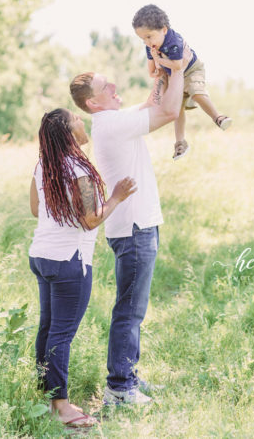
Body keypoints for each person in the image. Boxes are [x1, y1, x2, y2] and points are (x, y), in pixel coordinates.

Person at [68, 49, 185, 406]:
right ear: (93, 103)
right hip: (134, 229)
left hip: (140, 223)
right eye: (107, 86)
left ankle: (128, 376)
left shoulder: (115, 118)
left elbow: (153, 101)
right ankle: (119, 388)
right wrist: (180, 68)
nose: (115, 86)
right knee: (130, 310)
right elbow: (167, 111)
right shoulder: (110, 124)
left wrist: (163, 70)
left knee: (134, 307)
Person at [28, 108, 138, 428]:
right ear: (68, 132)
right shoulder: (78, 168)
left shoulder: (44, 166)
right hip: (68, 261)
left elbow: (36, 208)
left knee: (48, 329)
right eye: (77, 120)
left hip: (42, 255)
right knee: (61, 334)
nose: (83, 122)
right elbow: (90, 219)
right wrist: (116, 197)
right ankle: (61, 407)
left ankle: (48, 400)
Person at [132, 3, 232, 160]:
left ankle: (217, 117)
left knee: (196, 91)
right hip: (175, 77)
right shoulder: (150, 46)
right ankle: (180, 142)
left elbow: (179, 65)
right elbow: (152, 72)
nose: (146, 42)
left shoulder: (174, 41)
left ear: (164, 30)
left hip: (192, 70)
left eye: (149, 36)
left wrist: (159, 60)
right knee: (176, 108)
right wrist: (158, 66)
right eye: (142, 38)